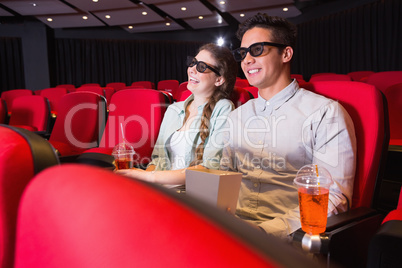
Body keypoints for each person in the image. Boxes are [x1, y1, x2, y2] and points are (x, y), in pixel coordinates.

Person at [220, 13, 357, 239]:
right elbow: (222, 176)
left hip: (289, 239)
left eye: (257, 50)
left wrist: (265, 231)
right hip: (232, 230)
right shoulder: (237, 115)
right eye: (243, 53)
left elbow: (333, 198)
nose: (246, 60)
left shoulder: (324, 113)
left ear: (286, 53)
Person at [116, 43, 238, 187]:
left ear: (219, 79)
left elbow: (210, 168)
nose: (192, 69)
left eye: (201, 67)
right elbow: (158, 160)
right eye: (193, 63)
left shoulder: (223, 108)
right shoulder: (174, 109)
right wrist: (145, 184)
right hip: (164, 191)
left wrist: (149, 177)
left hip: (193, 195)